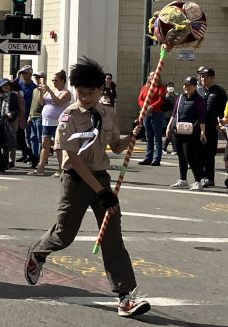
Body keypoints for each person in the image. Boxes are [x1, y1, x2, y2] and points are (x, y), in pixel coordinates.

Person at [24, 57, 149, 318]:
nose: (86, 97)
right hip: (76, 180)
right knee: (64, 234)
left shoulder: (108, 112)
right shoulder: (68, 116)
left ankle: (126, 296)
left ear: (101, 90)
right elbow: (72, 159)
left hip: (101, 177)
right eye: (81, 92)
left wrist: (132, 136)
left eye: (91, 92)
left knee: (113, 236)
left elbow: (115, 146)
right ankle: (38, 252)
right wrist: (101, 192)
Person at [167, 77, 208, 191]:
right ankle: (183, 180)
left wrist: (203, 132)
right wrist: (169, 126)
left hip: (191, 133)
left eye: (189, 85)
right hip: (177, 130)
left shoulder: (198, 100)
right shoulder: (180, 97)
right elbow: (174, 113)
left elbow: (201, 118)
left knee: (190, 157)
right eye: (185, 85)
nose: (186, 87)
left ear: (195, 86)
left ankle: (198, 181)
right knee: (181, 156)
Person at [31, 71, 72, 177]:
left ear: (63, 81)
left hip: (58, 122)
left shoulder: (66, 92)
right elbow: (41, 103)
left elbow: (59, 102)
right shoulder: (50, 91)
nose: (54, 82)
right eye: (53, 80)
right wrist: (41, 92)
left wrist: (50, 91)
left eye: (56, 80)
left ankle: (61, 169)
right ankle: (40, 167)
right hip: (46, 121)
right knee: (45, 145)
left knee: (58, 146)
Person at [198, 67, 224, 188]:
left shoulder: (219, 91)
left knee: (209, 153)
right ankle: (200, 176)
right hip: (199, 127)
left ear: (213, 78)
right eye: (202, 76)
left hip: (212, 127)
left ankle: (209, 178)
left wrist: (222, 122)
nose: (203, 78)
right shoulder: (198, 90)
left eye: (206, 76)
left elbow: (225, 109)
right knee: (199, 153)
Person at [137, 72, 167, 167]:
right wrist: (145, 107)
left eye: (155, 75)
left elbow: (161, 100)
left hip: (157, 113)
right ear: (148, 77)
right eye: (151, 75)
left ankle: (156, 158)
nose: (153, 77)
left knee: (157, 136)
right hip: (146, 113)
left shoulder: (161, 87)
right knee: (148, 136)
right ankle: (148, 157)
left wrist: (152, 107)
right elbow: (140, 99)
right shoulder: (145, 88)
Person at [0, 78, 20, 166]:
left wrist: (11, 114)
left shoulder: (13, 95)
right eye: (4, 85)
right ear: (1, 87)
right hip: (1, 120)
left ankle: (12, 160)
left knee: (11, 140)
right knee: (3, 140)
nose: (6, 87)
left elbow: (17, 109)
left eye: (8, 85)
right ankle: (4, 158)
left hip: (11, 121)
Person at [19, 67, 40, 168]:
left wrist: (30, 115)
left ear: (30, 74)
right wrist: (17, 76)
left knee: (30, 136)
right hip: (20, 115)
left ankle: (31, 156)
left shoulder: (34, 87)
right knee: (21, 136)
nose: (23, 75)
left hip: (28, 114)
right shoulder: (20, 84)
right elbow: (12, 86)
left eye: (25, 73)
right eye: (22, 73)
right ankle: (24, 155)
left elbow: (33, 102)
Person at [163, 82, 177, 156]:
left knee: (171, 132)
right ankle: (174, 148)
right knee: (171, 132)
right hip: (166, 116)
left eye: (172, 86)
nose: (171, 88)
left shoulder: (176, 96)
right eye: (169, 86)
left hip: (174, 116)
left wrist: (173, 96)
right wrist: (167, 97)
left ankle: (164, 147)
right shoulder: (164, 96)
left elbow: (176, 106)